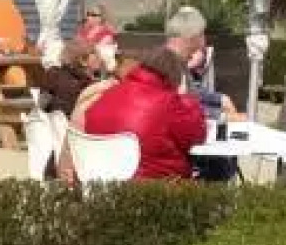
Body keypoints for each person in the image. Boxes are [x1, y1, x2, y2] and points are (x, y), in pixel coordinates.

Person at [69, 46, 206, 182]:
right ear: (174, 76)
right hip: (154, 190)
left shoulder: (106, 94)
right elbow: (196, 139)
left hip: (101, 187)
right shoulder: (172, 103)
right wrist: (185, 99)